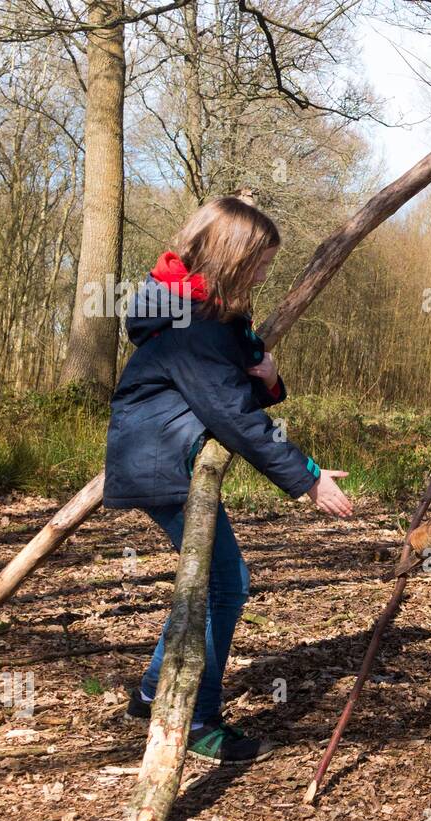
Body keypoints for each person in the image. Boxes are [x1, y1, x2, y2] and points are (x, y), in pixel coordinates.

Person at [105, 196, 352, 765]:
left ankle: (151, 693)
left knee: (215, 580)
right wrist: (308, 479)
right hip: (163, 463)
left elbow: (239, 373)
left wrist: (269, 376)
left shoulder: (203, 310)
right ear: (230, 259)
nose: (266, 273)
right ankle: (193, 718)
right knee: (225, 583)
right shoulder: (190, 326)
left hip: (167, 457)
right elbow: (234, 417)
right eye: (260, 263)